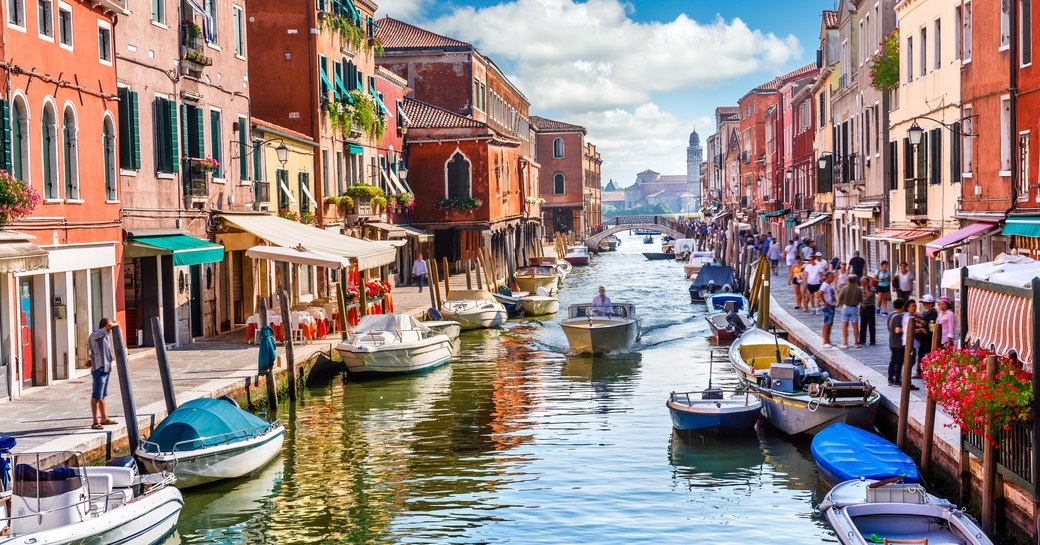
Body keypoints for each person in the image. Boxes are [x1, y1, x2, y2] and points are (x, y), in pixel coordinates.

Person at [88, 318, 119, 430]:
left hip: (106, 369)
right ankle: (95, 421)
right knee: (96, 395)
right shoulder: (96, 335)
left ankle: (104, 418)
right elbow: (110, 325)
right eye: (109, 327)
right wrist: (115, 323)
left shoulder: (106, 336)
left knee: (102, 395)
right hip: (99, 369)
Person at [901, 299, 923, 390]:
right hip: (909, 343)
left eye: (915, 305)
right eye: (913, 306)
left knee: (910, 362)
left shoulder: (911, 316)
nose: (915, 307)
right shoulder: (908, 318)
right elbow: (910, 330)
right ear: (907, 307)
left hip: (911, 343)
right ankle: (907, 383)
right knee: (910, 363)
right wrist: (921, 329)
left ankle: (906, 382)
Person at [914, 294, 939, 376]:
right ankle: (920, 371)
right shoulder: (925, 312)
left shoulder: (933, 313)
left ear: (931, 304)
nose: (924, 305)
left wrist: (920, 321)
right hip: (923, 337)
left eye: (925, 303)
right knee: (921, 353)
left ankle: (927, 371)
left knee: (927, 354)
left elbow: (931, 326)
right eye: (923, 303)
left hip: (928, 337)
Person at [837, 274, 863, 349]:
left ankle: (845, 343)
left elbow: (839, 298)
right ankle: (856, 343)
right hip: (854, 308)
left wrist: (839, 304)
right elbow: (861, 300)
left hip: (845, 307)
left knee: (845, 326)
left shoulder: (844, 288)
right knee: (855, 326)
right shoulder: (859, 289)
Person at [887, 299, 906, 386]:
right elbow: (898, 330)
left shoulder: (890, 314)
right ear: (902, 306)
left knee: (892, 361)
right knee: (899, 362)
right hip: (898, 343)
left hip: (892, 341)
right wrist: (906, 329)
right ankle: (897, 380)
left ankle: (890, 378)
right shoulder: (899, 316)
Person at [858, 275, 877, 346]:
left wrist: (866, 287)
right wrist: (860, 308)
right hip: (863, 308)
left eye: (863, 281)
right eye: (861, 281)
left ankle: (872, 340)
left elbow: (868, 296)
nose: (862, 283)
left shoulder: (872, 289)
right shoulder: (860, 289)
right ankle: (862, 340)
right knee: (863, 325)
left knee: (871, 325)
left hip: (870, 308)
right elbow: (860, 299)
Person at [820, 271, 838, 347]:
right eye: (832, 277)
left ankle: (828, 340)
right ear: (827, 277)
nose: (833, 278)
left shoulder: (830, 284)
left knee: (830, 323)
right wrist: (824, 302)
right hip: (828, 306)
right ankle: (825, 341)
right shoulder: (825, 285)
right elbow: (820, 293)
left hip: (832, 306)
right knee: (826, 323)